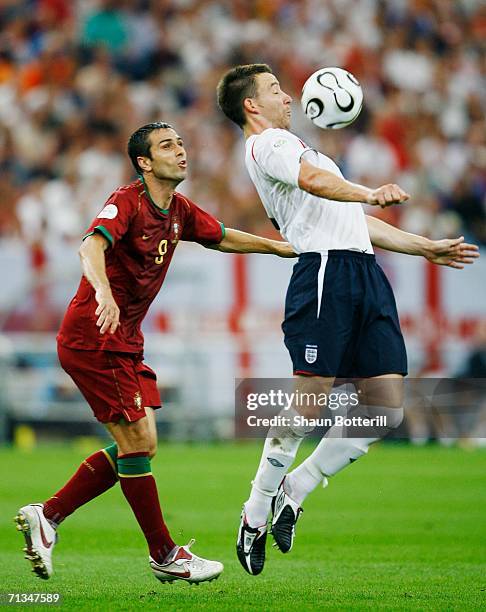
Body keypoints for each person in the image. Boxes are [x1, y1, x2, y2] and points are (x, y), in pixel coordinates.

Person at [216, 64, 479, 575]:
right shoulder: (268, 146)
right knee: (308, 407)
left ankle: (297, 487)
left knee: (385, 408)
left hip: (362, 269)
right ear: (251, 105)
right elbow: (317, 184)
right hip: (324, 273)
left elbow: (354, 218)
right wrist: (367, 189)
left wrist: (425, 248)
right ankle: (254, 512)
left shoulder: (302, 149)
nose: (286, 96)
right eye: (274, 90)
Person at [14, 121, 295, 584]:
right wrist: (102, 291)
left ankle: (48, 515)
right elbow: (90, 244)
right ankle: (164, 554)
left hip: (123, 339)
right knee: (137, 444)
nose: (180, 151)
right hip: (96, 334)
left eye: (181, 143)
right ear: (144, 162)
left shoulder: (178, 209)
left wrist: (276, 248)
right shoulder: (128, 200)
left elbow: (221, 235)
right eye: (167, 146)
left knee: (142, 443)